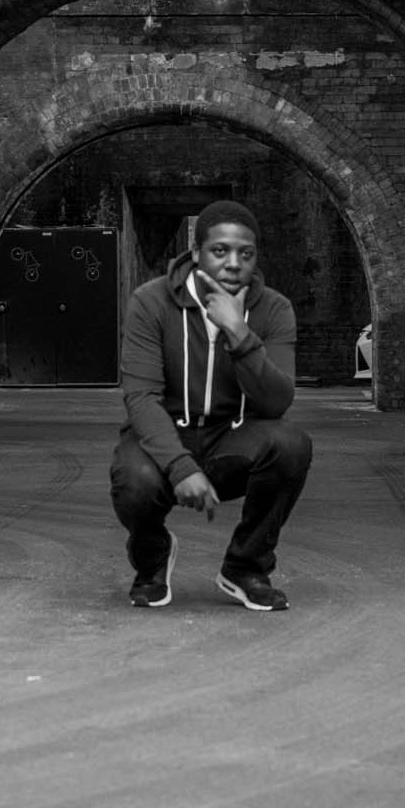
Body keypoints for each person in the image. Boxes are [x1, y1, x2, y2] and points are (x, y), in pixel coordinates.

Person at [112, 200, 312, 611]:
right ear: (197, 251)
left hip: (232, 439)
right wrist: (181, 467)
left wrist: (239, 332)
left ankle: (245, 568)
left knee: (291, 445)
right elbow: (141, 397)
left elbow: (277, 401)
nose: (234, 263)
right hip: (164, 435)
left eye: (246, 253)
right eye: (220, 251)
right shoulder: (151, 302)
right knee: (134, 481)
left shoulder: (274, 309)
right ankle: (152, 560)